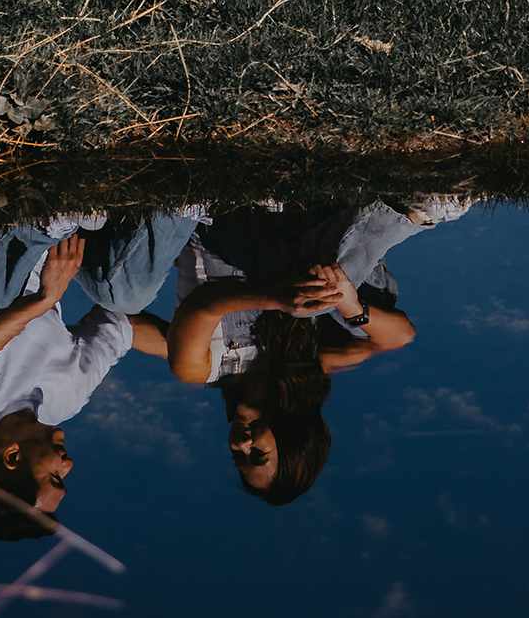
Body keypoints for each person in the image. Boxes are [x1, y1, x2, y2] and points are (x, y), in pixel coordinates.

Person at [0, 210, 201, 539]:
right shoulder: (65, 402)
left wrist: (44, 300)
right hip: (57, 243)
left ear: (13, 457)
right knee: (129, 296)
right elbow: (124, 328)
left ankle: (41, 221)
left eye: (56, 477)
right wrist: (195, 357)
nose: (69, 465)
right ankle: (181, 208)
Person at [165, 197, 470, 505]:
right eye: (257, 454)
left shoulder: (201, 367)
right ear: (291, 438)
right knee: (358, 315)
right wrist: (352, 306)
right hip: (294, 236)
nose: (241, 445)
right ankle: (402, 211)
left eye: (238, 458)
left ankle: (409, 212)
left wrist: (278, 300)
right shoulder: (311, 363)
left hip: (230, 228)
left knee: (308, 303)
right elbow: (401, 336)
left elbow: (202, 307)